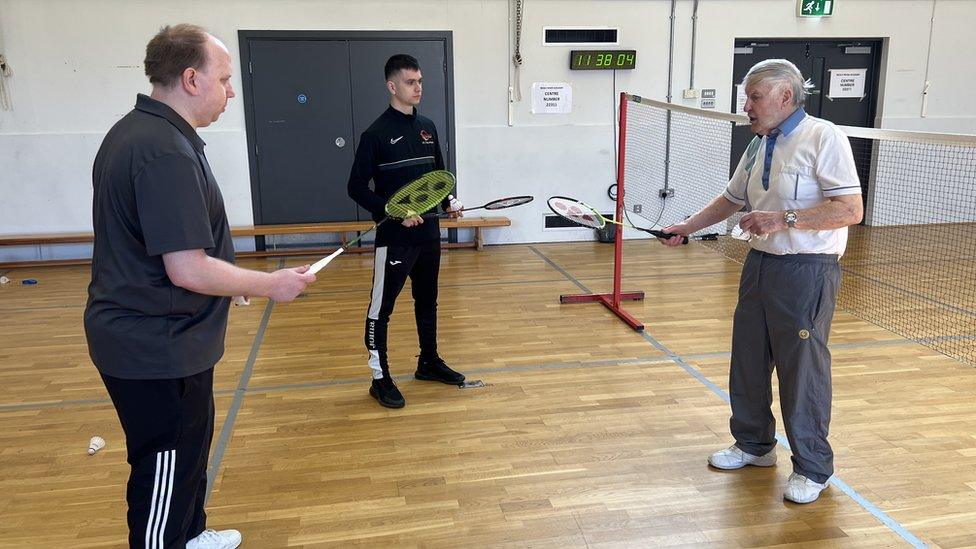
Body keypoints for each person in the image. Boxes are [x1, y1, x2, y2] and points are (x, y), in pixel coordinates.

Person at [85, 24, 315, 548]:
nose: (231, 92)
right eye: (226, 80)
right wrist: (268, 283)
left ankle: (190, 536)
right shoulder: (162, 149)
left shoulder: (143, 132)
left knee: (188, 454)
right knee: (162, 474)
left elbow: (181, 248)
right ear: (191, 78)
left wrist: (227, 281)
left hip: (173, 341)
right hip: (154, 347)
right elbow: (186, 268)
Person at [659, 59, 863, 504]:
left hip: (808, 271)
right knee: (748, 360)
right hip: (760, 266)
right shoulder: (758, 144)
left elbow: (850, 210)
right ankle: (754, 445)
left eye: (755, 97)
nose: (746, 106)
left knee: (802, 371)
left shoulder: (823, 136)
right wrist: (685, 227)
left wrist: (781, 218)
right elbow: (731, 199)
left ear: (785, 96)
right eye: (746, 97)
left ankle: (813, 466)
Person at [347, 54, 464, 409]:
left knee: (427, 301)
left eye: (420, 81)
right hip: (396, 238)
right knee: (380, 311)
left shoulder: (427, 127)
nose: (418, 88)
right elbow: (355, 187)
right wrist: (394, 212)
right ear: (392, 86)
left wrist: (449, 205)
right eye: (411, 82)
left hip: (429, 236)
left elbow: (439, 178)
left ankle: (428, 362)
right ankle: (379, 378)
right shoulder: (375, 134)